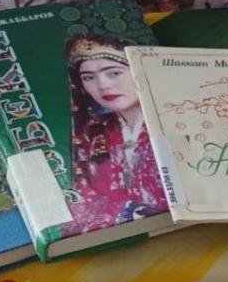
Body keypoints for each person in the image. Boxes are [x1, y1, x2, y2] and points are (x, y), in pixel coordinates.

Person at [66, 35, 168, 230]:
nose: (103, 85)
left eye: (114, 73)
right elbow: (82, 199)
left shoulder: (172, 121)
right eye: (88, 77)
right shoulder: (91, 135)